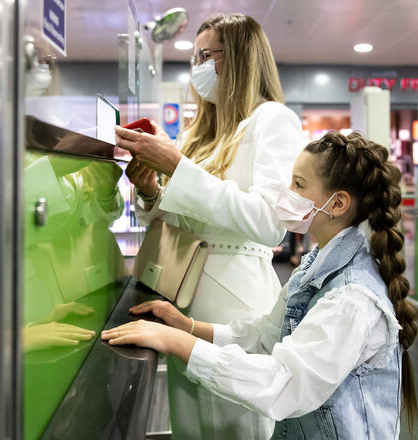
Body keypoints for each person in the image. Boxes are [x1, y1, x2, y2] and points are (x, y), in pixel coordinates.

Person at [102, 130, 418, 439]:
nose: (286, 193)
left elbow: (283, 384)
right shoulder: (315, 265)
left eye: (298, 185)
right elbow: (266, 336)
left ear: (337, 204)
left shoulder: (351, 299)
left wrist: (177, 343)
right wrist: (189, 327)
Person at [113, 13, 304, 440]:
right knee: (190, 426)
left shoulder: (273, 120)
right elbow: (179, 218)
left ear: (239, 59)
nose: (197, 66)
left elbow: (270, 222)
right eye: (194, 57)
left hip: (236, 300)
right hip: (183, 298)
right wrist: (151, 191)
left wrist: (178, 168)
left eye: (206, 55)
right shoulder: (198, 133)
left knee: (236, 424)